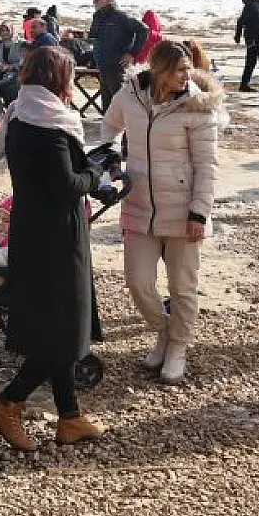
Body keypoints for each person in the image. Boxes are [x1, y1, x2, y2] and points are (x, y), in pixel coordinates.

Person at [0, 45, 117, 450]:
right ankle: (8, 403)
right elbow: (65, 185)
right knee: (64, 328)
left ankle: (70, 416)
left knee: (59, 323)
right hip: (56, 235)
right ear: (59, 77)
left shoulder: (21, 112)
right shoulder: (50, 122)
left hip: (34, 228)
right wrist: (98, 176)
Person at [102, 41, 223, 384]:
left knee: (183, 287)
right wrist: (114, 160)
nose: (189, 75)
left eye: (188, 68)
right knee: (138, 283)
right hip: (138, 205)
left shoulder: (199, 107)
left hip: (183, 211)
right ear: (159, 70)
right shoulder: (129, 96)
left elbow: (207, 165)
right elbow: (109, 127)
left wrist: (199, 213)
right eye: (180, 70)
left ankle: (178, 348)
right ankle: (164, 330)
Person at [89, 0, 149, 110]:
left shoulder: (120, 17)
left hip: (117, 67)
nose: (95, 1)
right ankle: (108, 127)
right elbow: (96, 39)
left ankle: (125, 128)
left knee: (120, 104)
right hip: (103, 67)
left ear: (109, 0)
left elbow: (144, 29)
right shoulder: (99, 17)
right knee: (108, 107)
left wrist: (132, 53)